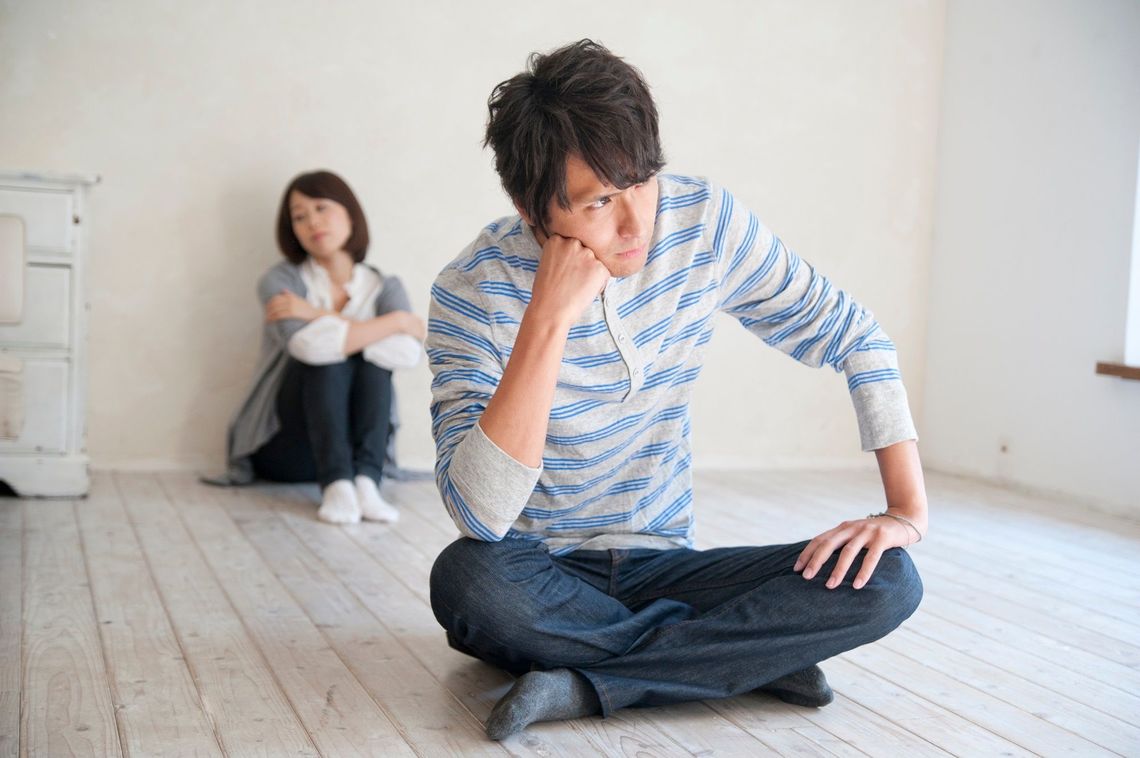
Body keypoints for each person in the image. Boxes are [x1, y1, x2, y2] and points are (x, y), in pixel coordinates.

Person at [425, 40, 926, 740]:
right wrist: (546, 320)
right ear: (529, 206)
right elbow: (479, 516)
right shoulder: (470, 291)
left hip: (669, 562)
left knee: (888, 578)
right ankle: (738, 660)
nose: (637, 224)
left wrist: (905, 510)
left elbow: (856, 336)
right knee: (467, 583)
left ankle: (591, 681)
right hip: (539, 571)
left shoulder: (703, 225)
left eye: (641, 181)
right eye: (600, 201)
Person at [216, 170, 425, 524]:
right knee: (327, 358)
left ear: (350, 215)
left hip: (358, 448)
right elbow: (309, 348)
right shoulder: (281, 281)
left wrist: (316, 315)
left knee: (372, 364)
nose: (312, 222)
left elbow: (407, 354)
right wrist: (395, 324)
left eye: (321, 208)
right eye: (299, 216)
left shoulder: (385, 286)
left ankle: (366, 484)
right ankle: (337, 485)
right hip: (289, 449)